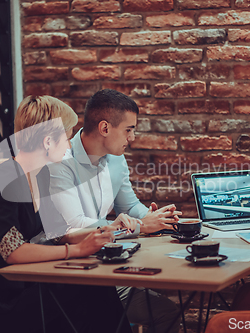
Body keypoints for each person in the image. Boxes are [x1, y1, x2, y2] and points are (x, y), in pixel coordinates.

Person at [0, 95, 132, 333]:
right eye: (67, 137)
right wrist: (77, 250)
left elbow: (58, 233)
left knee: (98, 286)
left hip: (24, 286)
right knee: (91, 291)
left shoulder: (41, 176)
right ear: (48, 141)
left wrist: (103, 232)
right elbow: (13, 251)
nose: (69, 145)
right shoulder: (6, 178)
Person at [48, 89, 181, 333]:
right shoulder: (60, 162)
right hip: (74, 276)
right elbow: (73, 227)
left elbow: (128, 206)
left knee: (168, 314)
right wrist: (140, 227)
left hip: (110, 265)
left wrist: (154, 218)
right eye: (129, 129)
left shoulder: (116, 158)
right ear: (105, 128)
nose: (133, 137)